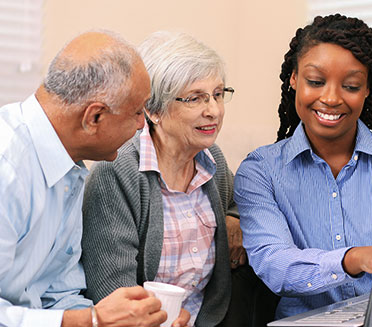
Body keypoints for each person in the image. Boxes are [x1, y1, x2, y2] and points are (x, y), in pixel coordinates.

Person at [234, 14, 372, 325]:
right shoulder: (261, 172)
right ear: (294, 79)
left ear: (367, 90)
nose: (331, 98)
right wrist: (353, 259)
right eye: (315, 81)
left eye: (351, 85)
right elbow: (274, 265)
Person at [0, 30, 187, 327]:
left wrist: (133, 318)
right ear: (94, 117)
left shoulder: (68, 167)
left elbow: (60, 295)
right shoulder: (7, 168)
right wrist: (93, 320)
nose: (143, 125)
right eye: (138, 112)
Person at [81, 31, 254, 327]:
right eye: (195, 98)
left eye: (217, 94)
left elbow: (249, 203)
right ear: (154, 110)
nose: (213, 111)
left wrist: (235, 217)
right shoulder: (117, 173)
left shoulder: (213, 159)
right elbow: (112, 291)